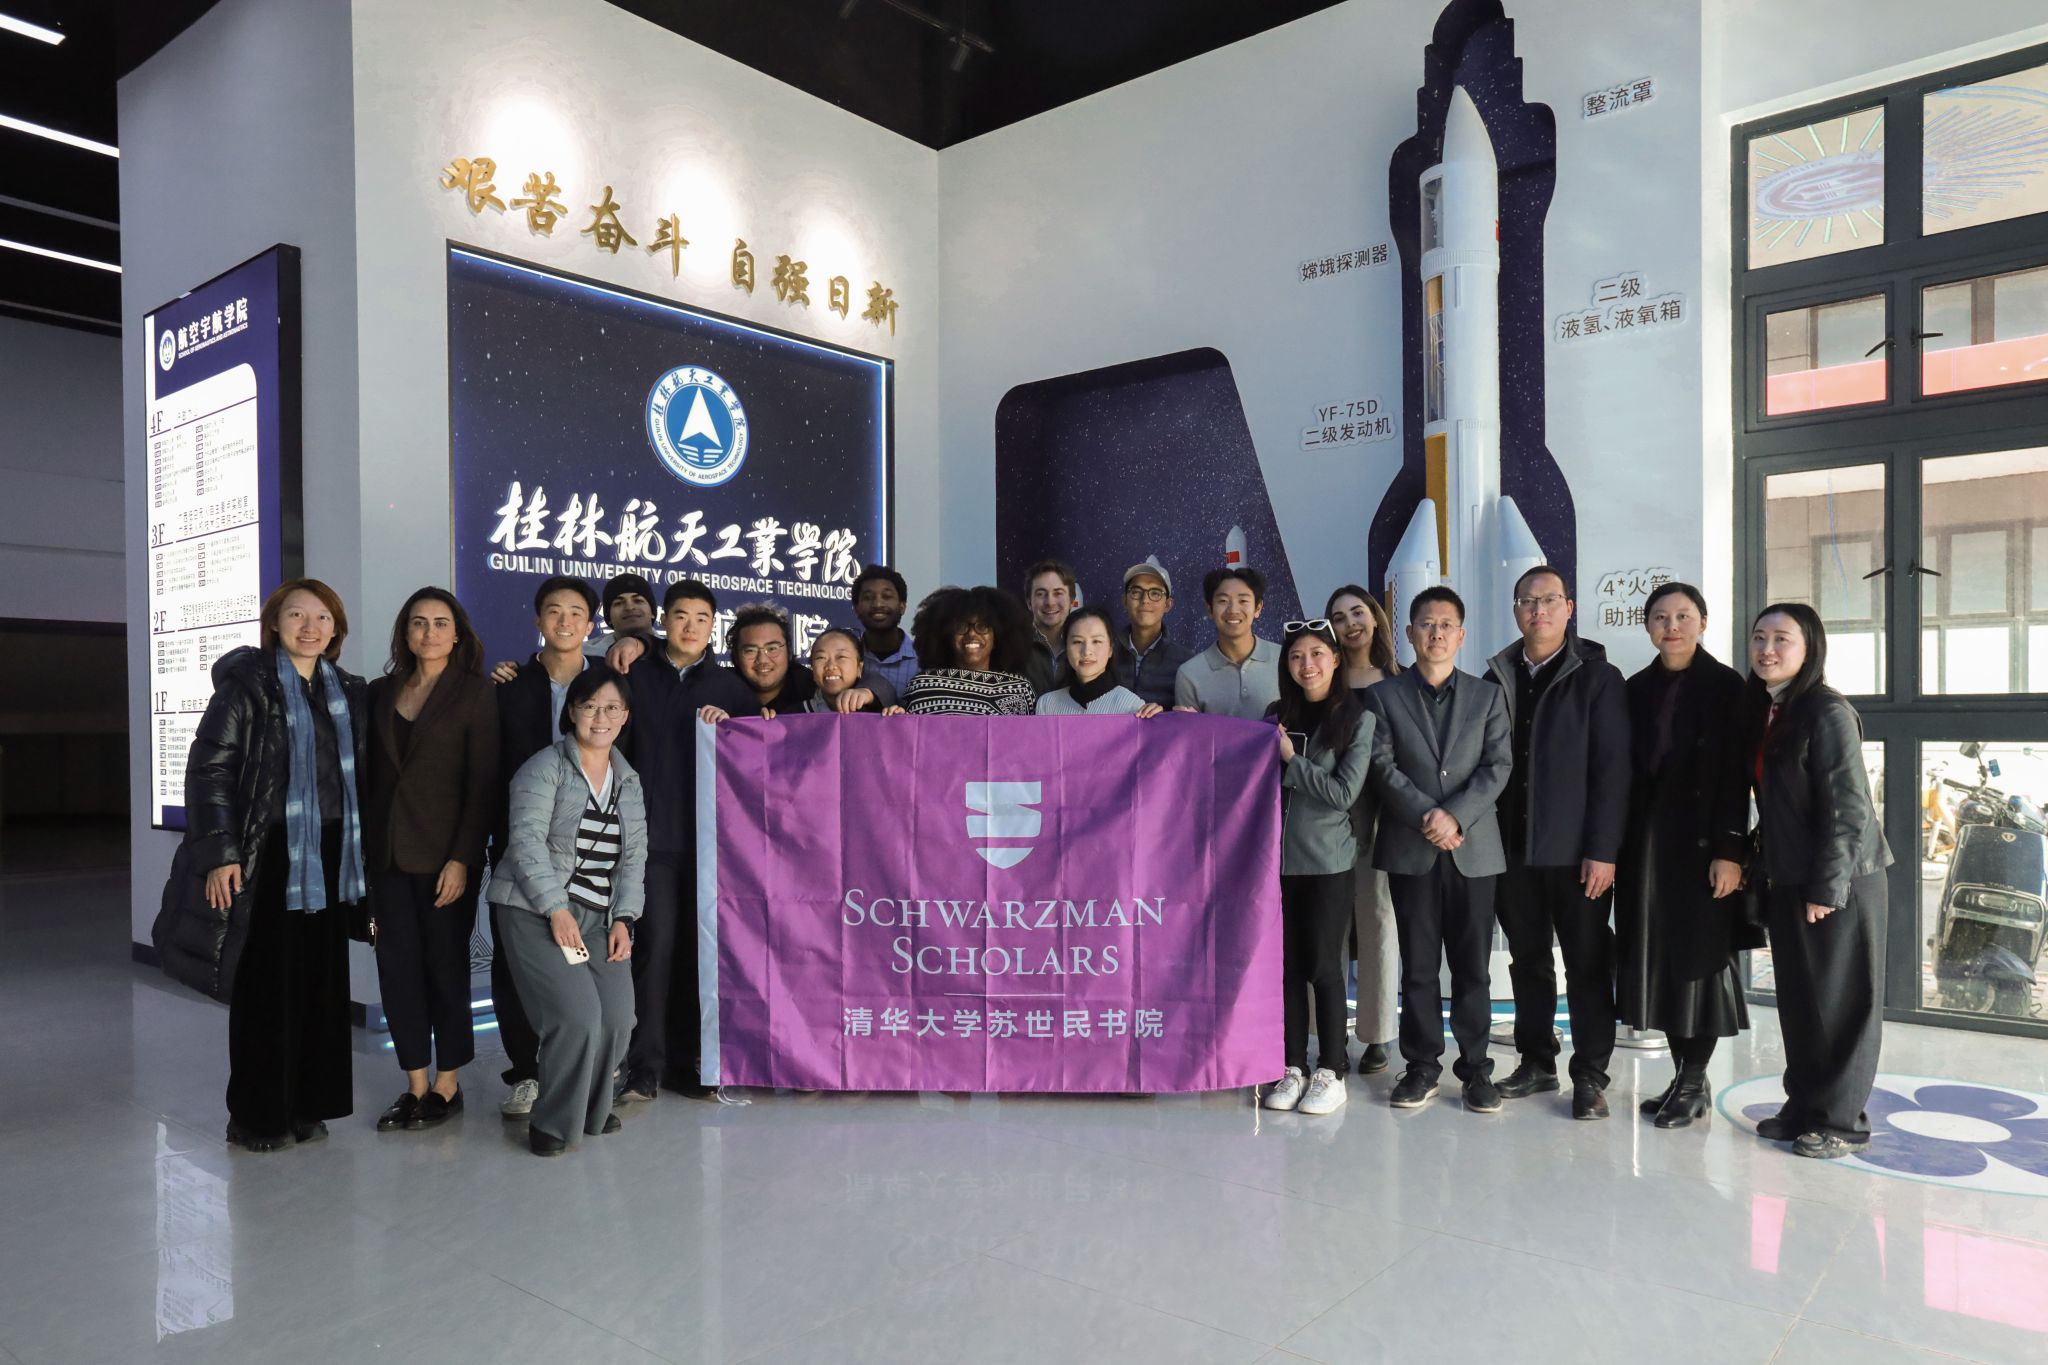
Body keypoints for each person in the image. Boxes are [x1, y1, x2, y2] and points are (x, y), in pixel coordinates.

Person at [176, 579, 368, 1152]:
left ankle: (309, 1105)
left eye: (322, 617)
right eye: (296, 615)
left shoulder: (348, 691)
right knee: (266, 989)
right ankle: (257, 1115)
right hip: (269, 854)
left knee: (321, 986)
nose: (310, 627)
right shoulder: (247, 687)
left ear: (336, 629)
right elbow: (209, 770)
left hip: (331, 853)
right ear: (274, 624)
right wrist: (221, 855)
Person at [1744, 602, 1892, 1160]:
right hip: (1790, 877)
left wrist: (1827, 889)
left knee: (1841, 1005)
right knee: (1802, 1002)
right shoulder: (1773, 709)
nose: (1767, 649)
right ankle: (1805, 1105)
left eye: (1782, 639)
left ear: (1809, 648)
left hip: (1841, 880)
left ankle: (1841, 1122)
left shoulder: (1826, 712)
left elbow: (1848, 809)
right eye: (1760, 637)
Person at [1483, 566, 1631, 1121]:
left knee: (1587, 964)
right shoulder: (1497, 676)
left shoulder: (1598, 678)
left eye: (1548, 600)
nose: (1537, 610)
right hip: (1512, 851)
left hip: (1578, 856)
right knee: (1528, 962)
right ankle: (1536, 1061)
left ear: (1569, 607)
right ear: (1515, 610)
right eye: (1527, 601)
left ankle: (1590, 1075)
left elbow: (1613, 770)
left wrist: (1604, 849)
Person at [605, 580, 758, 1099]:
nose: (691, 627)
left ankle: (690, 1060)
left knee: (701, 952)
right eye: (681, 616)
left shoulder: (732, 688)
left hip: (712, 845)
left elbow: (757, 763)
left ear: (713, 625)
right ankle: (644, 1066)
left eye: (701, 618)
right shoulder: (632, 674)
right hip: (649, 841)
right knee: (654, 948)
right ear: (663, 620)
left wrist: (731, 729)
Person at [1363, 586, 1511, 1114]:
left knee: (1473, 969)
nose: (1436, 633)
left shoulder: (1487, 696)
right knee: (1419, 966)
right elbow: (1381, 766)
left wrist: (1455, 815)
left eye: (1446, 624)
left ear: (1461, 635)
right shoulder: (1383, 696)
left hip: (1474, 850)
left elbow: (1498, 765)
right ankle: (1422, 1066)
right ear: (1409, 633)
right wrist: (1428, 815)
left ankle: (1476, 1070)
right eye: (1426, 623)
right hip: (1412, 847)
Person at [491, 666, 645, 1156]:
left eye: (612, 707)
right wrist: (556, 908)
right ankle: (554, 1122)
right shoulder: (543, 768)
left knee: (618, 1018)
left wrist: (624, 919)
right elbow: (525, 843)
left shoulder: (628, 780)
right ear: (571, 711)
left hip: (599, 914)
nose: (600, 717)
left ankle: (592, 1111)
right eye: (589, 706)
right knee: (577, 1016)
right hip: (533, 910)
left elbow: (634, 858)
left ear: (625, 716)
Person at [366, 588, 500, 1133]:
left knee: (445, 970)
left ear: (457, 633)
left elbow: (483, 783)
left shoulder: (475, 693)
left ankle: (448, 1083)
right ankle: (415, 1084)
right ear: (405, 632)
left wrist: (463, 857)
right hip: (386, 858)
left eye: (441, 623)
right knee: (396, 971)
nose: (429, 632)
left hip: (446, 860)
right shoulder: (380, 692)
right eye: (418, 623)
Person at [1619, 583, 1751, 1130]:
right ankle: (1685, 1080)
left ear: (1702, 622)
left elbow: (1737, 777)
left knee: (1699, 963)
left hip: (1703, 848)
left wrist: (1730, 851)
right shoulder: (1634, 688)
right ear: (1647, 626)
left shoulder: (1728, 687)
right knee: (1662, 965)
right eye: (1660, 617)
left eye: (1682, 615)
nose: (1671, 626)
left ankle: (1693, 1080)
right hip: (1646, 847)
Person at [487, 575, 596, 1117]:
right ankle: (526, 1072)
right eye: (554, 611)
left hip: (591, 844)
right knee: (516, 960)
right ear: (538, 620)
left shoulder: (607, 686)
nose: (565, 621)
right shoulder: (509, 686)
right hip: (521, 843)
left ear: (590, 625)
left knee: (584, 955)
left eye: (576, 612)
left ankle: (584, 1068)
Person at [1261, 621, 1375, 1117]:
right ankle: (1292, 1065)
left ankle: (1332, 1069)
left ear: (1335, 660)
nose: (1306, 665)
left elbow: (1344, 793)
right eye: (1296, 656)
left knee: (1326, 968)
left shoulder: (1357, 718)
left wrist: (1292, 760)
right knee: (1286, 969)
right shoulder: (1274, 716)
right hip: (1276, 863)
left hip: (1328, 861)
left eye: (1316, 655)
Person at [1326, 585, 1400, 1074]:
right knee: (1328, 923)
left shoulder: (1398, 680)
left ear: (1374, 618)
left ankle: (1377, 1034)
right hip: (1326, 815)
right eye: (1339, 617)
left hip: (1381, 816)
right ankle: (1326, 1030)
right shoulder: (1323, 674)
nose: (1350, 623)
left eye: (1358, 613)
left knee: (1377, 920)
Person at [728, 603, 894, 716]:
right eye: (750, 650)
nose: (762, 659)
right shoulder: (723, 685)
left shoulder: (809, 681)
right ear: (736, 655)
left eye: (772, 648)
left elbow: (880, 685)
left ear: (789, 650)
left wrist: (868, 693)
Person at [901, 585, 1038, 716]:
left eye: (982, 626)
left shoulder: (1020, 690)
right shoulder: (923, 686)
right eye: (961, 626)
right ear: (946, 636)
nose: (972, 634)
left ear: (997, 637)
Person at [1173, 567, 1280, 719]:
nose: (1233, 610)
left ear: (1258, 608)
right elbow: (1190, 732)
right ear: (1209, 609)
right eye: (1223, 601)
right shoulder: (1189, 674)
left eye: (1243, 601)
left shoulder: (1284, 659)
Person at [1035, 606, 1163, 716]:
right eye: (1077, 642)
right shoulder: (1047, 705)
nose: (1086, 651)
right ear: (1066, 648)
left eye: (1096, 641)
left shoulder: (1131, 705)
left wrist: (1156, 721)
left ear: (1110, 649)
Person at [1114, 559, 1193, 708]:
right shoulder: (1104, 655)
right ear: (1125, 601)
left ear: (1168, 604)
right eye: (1136, 592)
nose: (1145, 600)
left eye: (1155, 593)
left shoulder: (1186, 663)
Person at [801, 629, 905, 714]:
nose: (831, 666)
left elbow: (884, 689)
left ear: (859, 668)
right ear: (812, 668)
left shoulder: (877, 711)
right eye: (821, 657)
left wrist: (896, 718)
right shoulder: (797, 715)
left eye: (841, 657)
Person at [853, 565, 919, 696]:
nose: (878, 604)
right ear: (856, 609)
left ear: (902, 606)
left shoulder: (924, 660)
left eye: (887, 596)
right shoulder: (847, 661)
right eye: (868, 597)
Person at [1022, 559, 1078, 695]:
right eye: (1041, 594)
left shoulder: (1086, 646)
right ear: (1029, 602)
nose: (1050, 602)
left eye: (1058, 593)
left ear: (1072, 601)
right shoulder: (1013, 647)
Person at [585, 572, 659, 658]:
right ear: (609, 618)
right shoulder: (586, 654)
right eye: (619, 603)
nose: (629, 607)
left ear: (652, 612)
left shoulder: (669, 650)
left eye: (638, 601)